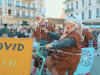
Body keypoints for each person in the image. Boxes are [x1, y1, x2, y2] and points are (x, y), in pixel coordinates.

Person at [32, 5, 55, 75]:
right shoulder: (36, 27)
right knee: (39, 62)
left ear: (42, 18)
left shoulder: (50, 27)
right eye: (36, 18)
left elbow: (55, 37)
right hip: (39, 47)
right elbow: (34, 38)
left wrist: (52, 46)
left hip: (49, 47)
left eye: (38, 17)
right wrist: (34, 46)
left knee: (50, 62)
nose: (36, 19)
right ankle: (41, 73)